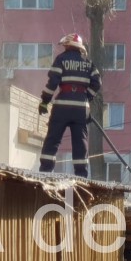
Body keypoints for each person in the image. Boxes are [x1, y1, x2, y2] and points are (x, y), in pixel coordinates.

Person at [38, 33, 101, 178]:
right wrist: (86, 97)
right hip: (81, 109)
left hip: (62, 106)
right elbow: (97, 83)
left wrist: (45, 101)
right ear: (80, 47)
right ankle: (81, 175)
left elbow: (52, 83)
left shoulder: (61, 59)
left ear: (67, 45)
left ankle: (45, 171)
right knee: (80, 142)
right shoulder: (88, 63)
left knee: (53, 139)